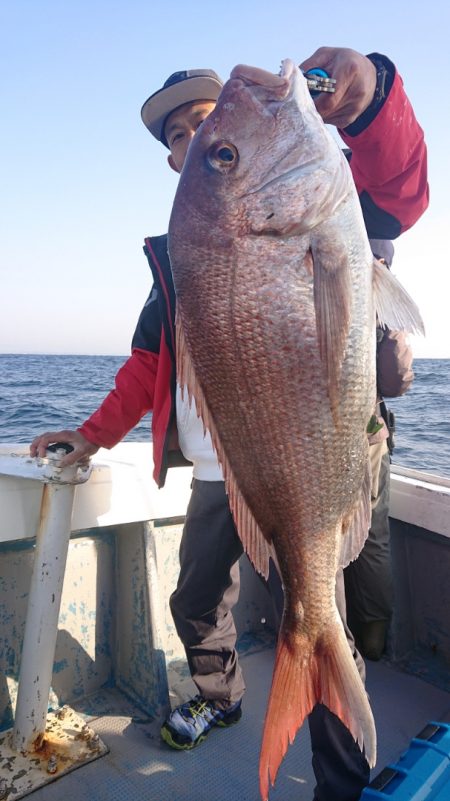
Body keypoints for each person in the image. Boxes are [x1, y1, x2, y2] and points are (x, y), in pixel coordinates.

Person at [30, 47, 429, 801]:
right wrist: (91, 435)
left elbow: (401, 185)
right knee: (194, 599)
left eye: (208, 129)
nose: (193, 139)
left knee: (318, 611)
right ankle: (220, 696)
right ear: (171, 161)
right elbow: (144, 370)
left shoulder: (329, 195)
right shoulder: (182, 262)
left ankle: (343, 778)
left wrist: (372, 92)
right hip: (220, 473)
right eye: (180, 137)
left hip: (308, 468)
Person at [345, 242, 415, 661]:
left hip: (319, 436)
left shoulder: (319, 284)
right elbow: (396, 380)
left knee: (325, 537)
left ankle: (339, 642)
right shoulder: (383, 298)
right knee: (373, 539)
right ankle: (371, 641)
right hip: (369, 437)